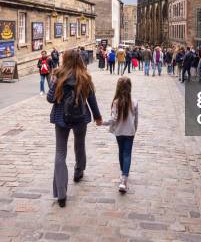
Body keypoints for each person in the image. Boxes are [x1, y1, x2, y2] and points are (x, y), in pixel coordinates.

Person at [47, 50, 102, 207]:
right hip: (80, 118)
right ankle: (78, 171)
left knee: (60, 153)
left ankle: (61, 194)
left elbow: (50, 99)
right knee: (80, 145)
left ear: (64, 60)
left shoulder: (58, 75)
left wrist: (53, 83)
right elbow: (92, 99)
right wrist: (97, 117)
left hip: (61, 118)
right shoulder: (84, 77)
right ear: (79, 60)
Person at [102, 77, 138, 193]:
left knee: (121, 152)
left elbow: (113, 119)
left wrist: (103, 123)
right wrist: (134, 130)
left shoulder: (116, 102)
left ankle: (123, 174)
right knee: (127, 154)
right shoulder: (134, 102)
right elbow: (136, 119)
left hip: (119, 132)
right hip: (130, 132)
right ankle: (124, 177)